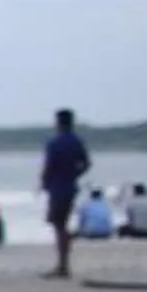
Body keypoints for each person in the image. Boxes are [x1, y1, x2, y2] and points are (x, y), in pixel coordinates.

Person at [41, 108, 92, 277]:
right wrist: (75, 174)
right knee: (61, 223)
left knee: (58, 225)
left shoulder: (54, 143)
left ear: (59, 123)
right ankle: (63, 261)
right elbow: (86, 164)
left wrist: (44, 182)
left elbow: (48, 166)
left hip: (57, 187)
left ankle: (63, 265)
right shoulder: (77, 141)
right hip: (70, 186)